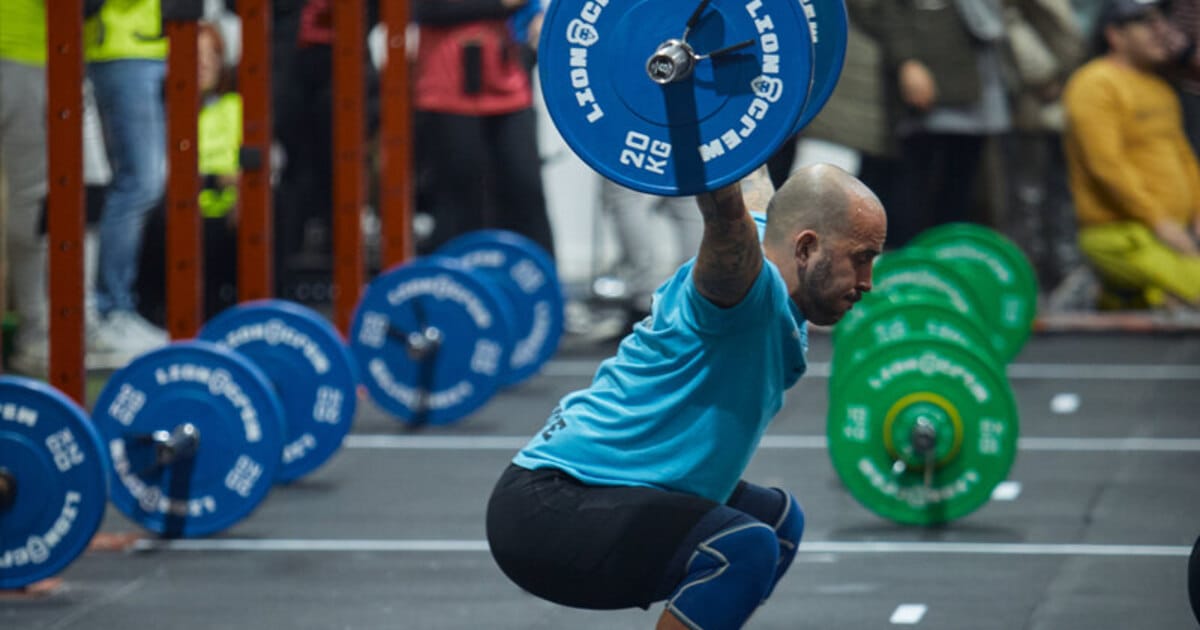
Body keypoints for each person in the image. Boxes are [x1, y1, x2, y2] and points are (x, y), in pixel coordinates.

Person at [486, 164, 887, 629]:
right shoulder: (742, 288)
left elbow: (747, 158)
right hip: (551, 509)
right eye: (861, 257)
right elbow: (723, 209)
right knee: (741, 547)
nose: (868, 280)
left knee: (777, 522)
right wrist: (693, 125)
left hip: (619, 489)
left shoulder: (771, 234)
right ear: (806, 247)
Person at [1062, 0, 1200, 310]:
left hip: (1171, 234)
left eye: (1161, 20)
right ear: (1115, 35)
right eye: (1144, 22)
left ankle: (1131, 295)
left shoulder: (1159, 88)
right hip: (1120, 233)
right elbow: (1105, 166)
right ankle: (1128, 289)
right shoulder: (1095, 83)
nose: (1160, 30)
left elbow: (1183, 156)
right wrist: (1158, 221)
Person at [412, 0, 555, 259]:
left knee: (526, 192)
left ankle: (543, 287)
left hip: (506, 82)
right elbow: (423, 9)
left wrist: (537, 18)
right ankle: (452, 288)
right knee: (458, 198)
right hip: (446, 85)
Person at [85, 0, 171, 350]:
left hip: (145, 46)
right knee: (139, 183)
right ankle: (111, 309)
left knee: (143, 182)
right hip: (123, 48)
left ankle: (115, 308)